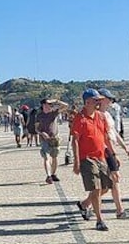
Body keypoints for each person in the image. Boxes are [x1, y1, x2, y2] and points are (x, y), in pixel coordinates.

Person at [71, 89, 118, 231]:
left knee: (105, 187)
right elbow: (75, 141)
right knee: (96, 189)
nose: (98, 102)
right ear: (87, 102)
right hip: (87, 159)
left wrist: (113, 157)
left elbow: (106, 138)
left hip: (101, 157)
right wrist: (76, 161)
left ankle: (85, 204)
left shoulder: (101, 117)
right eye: (96, 100)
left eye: (99, 100)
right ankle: (99, 220)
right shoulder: (80, 118)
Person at [38, 98, 69, 184]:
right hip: (44, 140)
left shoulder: (54, 113)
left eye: (51, 104)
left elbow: (66, 106)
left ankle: (53, 174)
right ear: (43, 105)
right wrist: (41, 133)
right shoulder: (39, 115)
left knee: (54, 157)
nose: (50, 105)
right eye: (48, 104)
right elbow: (36, 128)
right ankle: (48, 176)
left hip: (54, 139)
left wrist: (56, 101)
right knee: (46, 157)